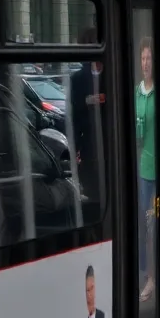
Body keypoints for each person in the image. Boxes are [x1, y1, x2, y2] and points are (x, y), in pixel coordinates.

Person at [69, 28, 105, 208]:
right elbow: (74, 118)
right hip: (89, 153)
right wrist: (75, 149)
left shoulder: (113, 75)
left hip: (111, 150)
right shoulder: (77, 80)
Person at [134, 37, 157, 302]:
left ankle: (155, 276)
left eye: (149, 58)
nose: (146, 63)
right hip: (144, 170)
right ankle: (150, 277)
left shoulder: (157, 92)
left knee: (156, 226)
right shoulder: (138, 92)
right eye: (143, 58)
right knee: (147, 225)